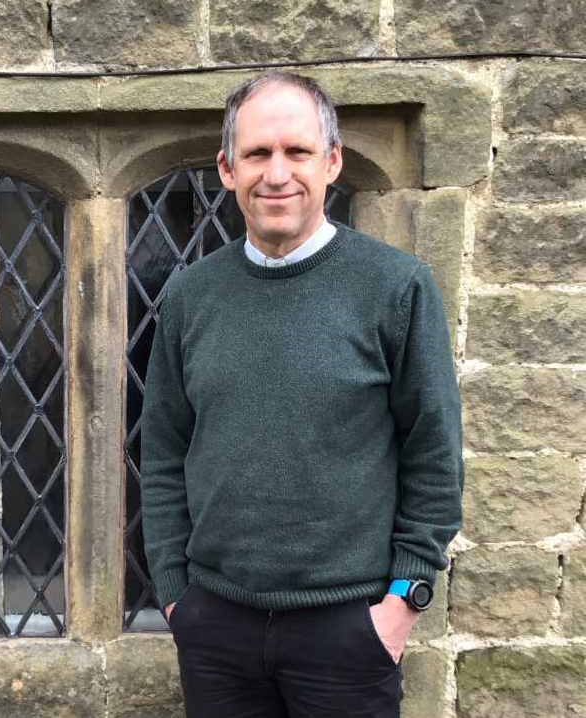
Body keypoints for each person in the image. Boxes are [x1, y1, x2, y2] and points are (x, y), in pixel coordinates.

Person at [139, 71, 464, 718]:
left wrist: (402, 602)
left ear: (332, 162)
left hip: (346, 629)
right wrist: (176, 594)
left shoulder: (396, 289)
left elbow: (432, 453)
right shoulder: (189, 297)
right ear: (227, 169)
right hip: (216, 626)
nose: (276, 173)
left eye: (297, 152)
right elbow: (162, 452)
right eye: (257, 154)